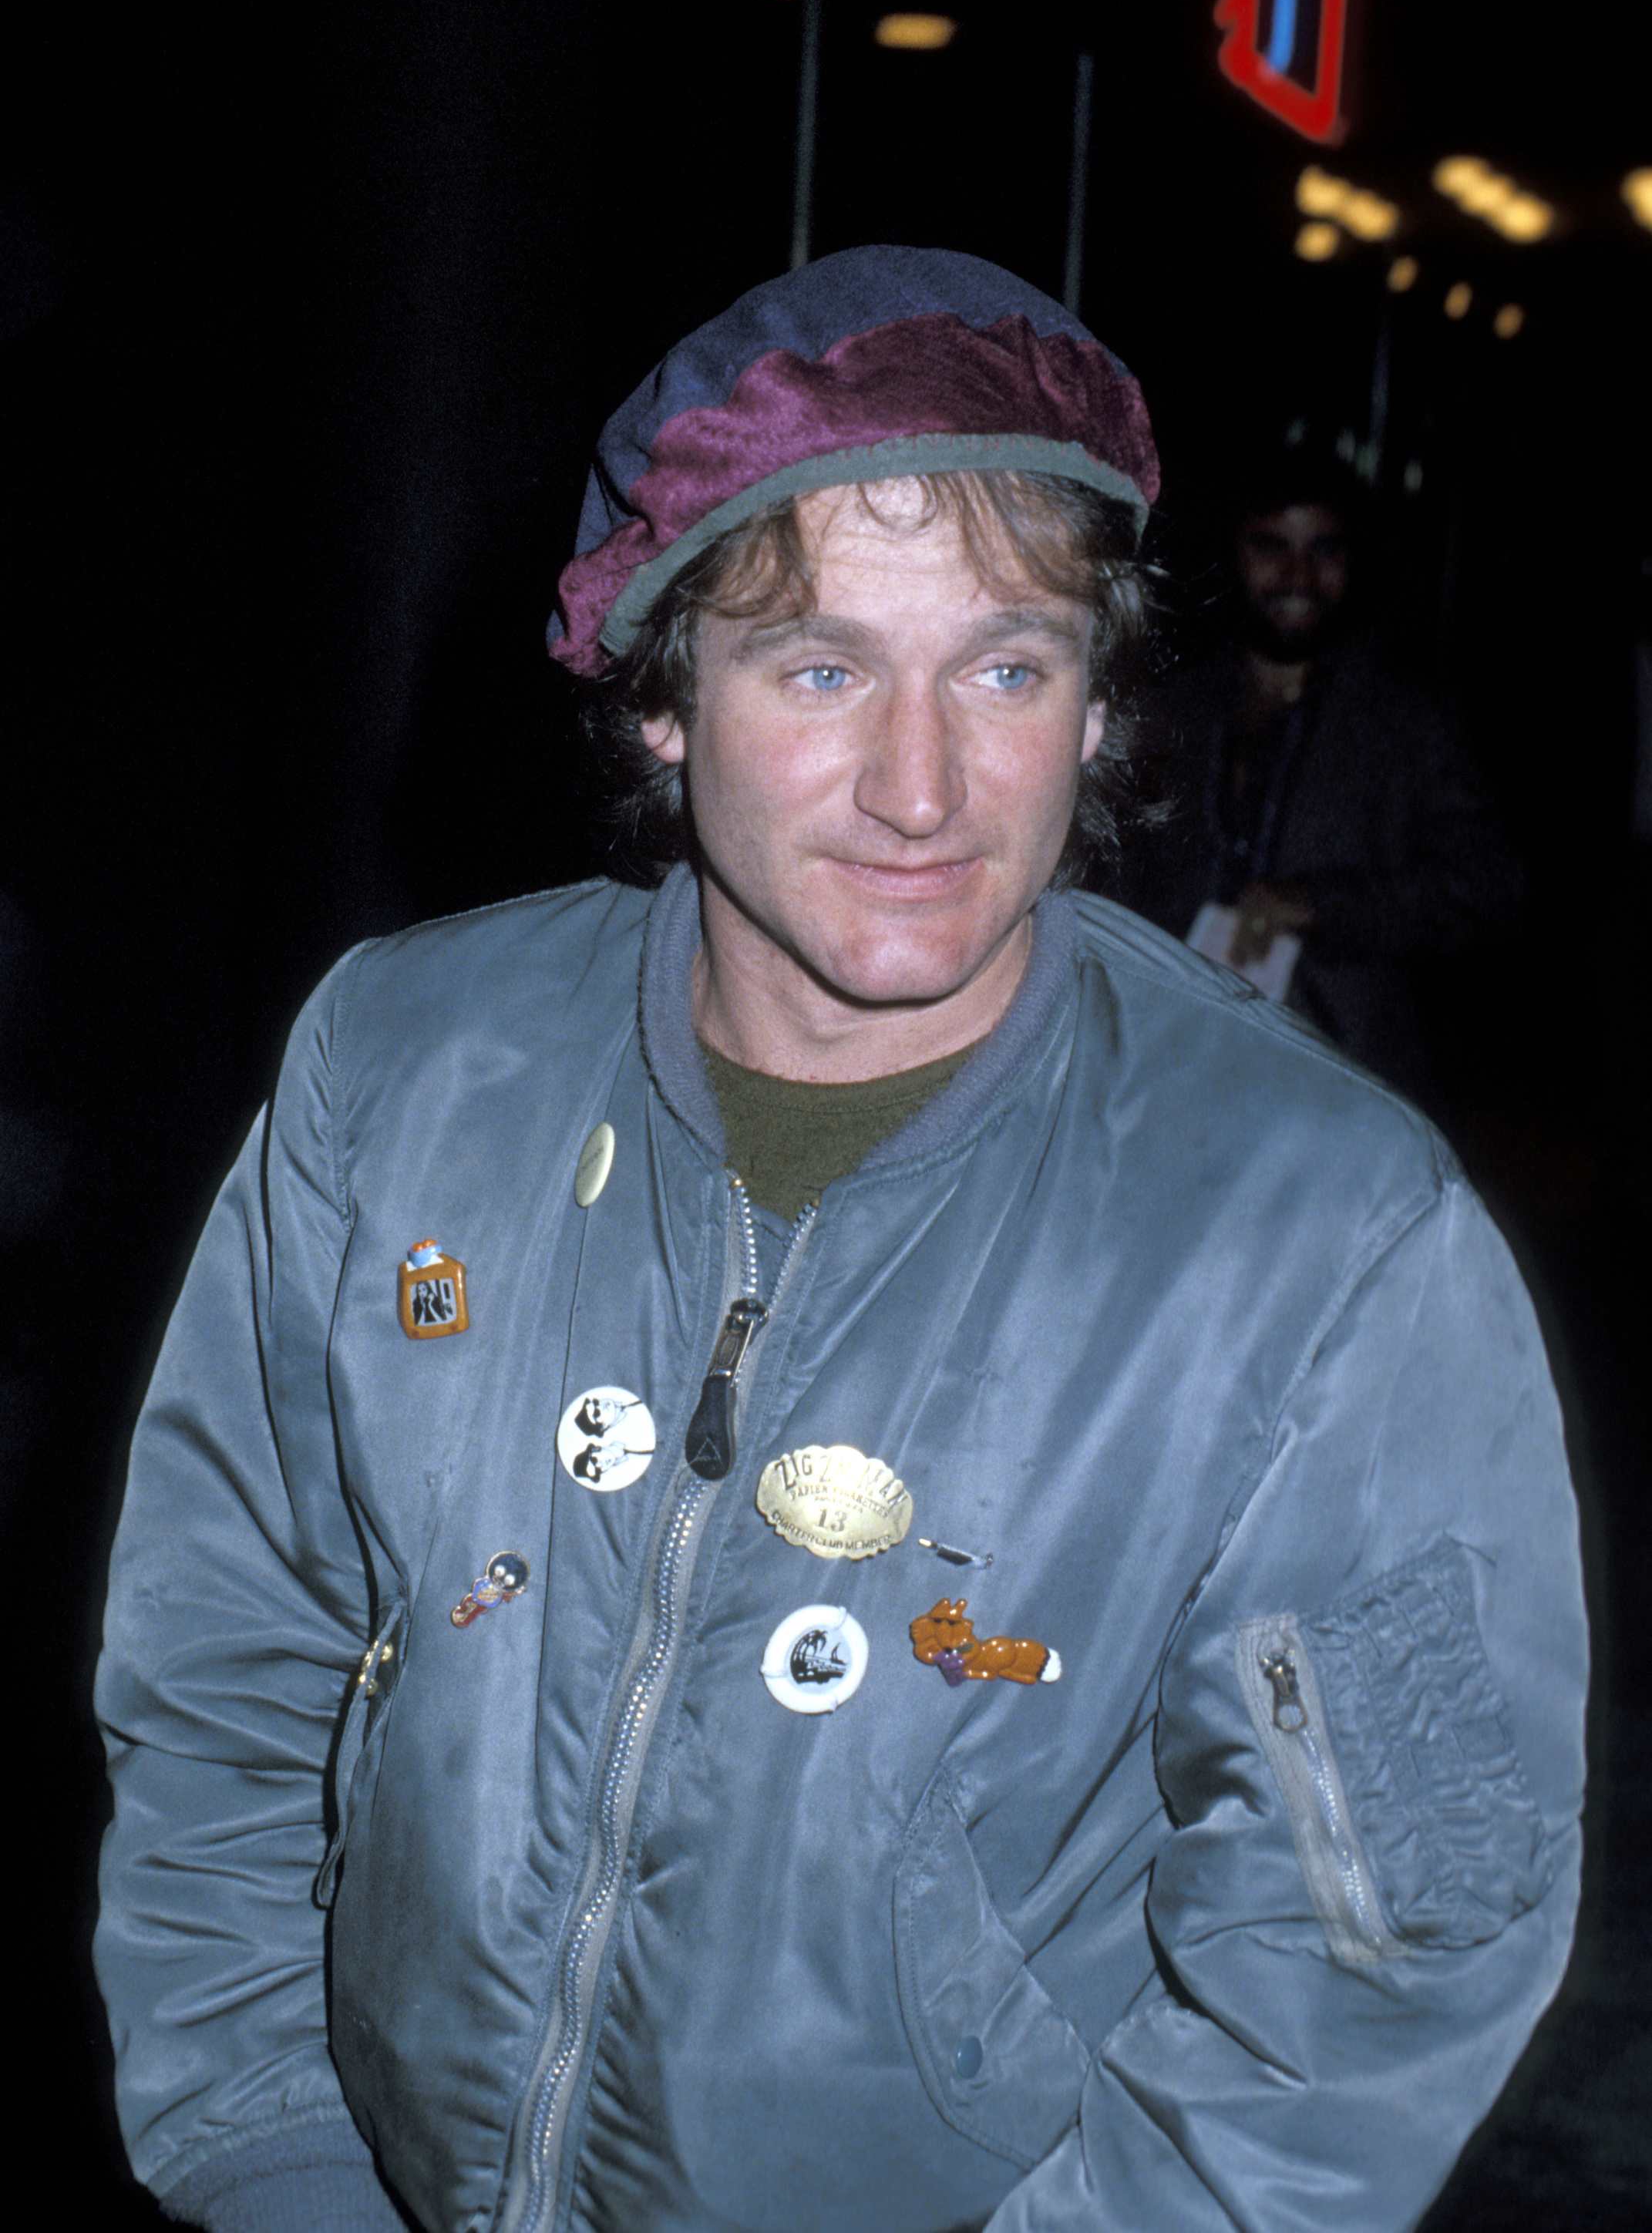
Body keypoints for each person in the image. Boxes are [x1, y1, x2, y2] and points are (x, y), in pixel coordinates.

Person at [96, 248, 1586, 2233]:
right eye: (818, 667)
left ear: (1092, 699)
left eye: (1005, 665)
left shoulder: (1324, 1230)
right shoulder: (404, 1063)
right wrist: (275, 2157)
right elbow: (229, 1667)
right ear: (659, 706)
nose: (921, 786)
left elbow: (1390, 1943)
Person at [1122, 459, 1522, 1101]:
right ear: (1231, 553)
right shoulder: (1175, 707)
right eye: (1271, 547)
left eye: (1324, 549)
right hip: (1174, 1068)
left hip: (1342, 1078)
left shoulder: (1405, 719)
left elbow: (1488, 886)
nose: (1298, 577)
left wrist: (1320, 905)